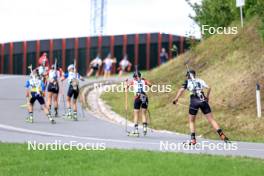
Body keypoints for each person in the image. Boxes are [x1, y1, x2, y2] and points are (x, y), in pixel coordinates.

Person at [172, 69, 229, 145]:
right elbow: (209, 88)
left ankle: (193, 139)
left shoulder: (187, 82)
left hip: (194, 101)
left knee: (191, 121)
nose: (187, 77)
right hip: (203, 100)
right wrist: (207, 97)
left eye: (187, 76)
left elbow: (181, 90)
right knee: (211, 120)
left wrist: (176, 99)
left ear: (189, 76)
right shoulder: (200, 80)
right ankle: (222, 135)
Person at [126, 71, 152, 136]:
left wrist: (126, 83)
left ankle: (136, 130)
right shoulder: (144, 80)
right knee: (143, 113)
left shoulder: (133, 81)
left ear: (134, 77)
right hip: (144, 97)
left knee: (136, 114)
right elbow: (150, 85)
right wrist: (144, 80)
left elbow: (126, 87)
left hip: (137, 97)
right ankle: (145, 128)